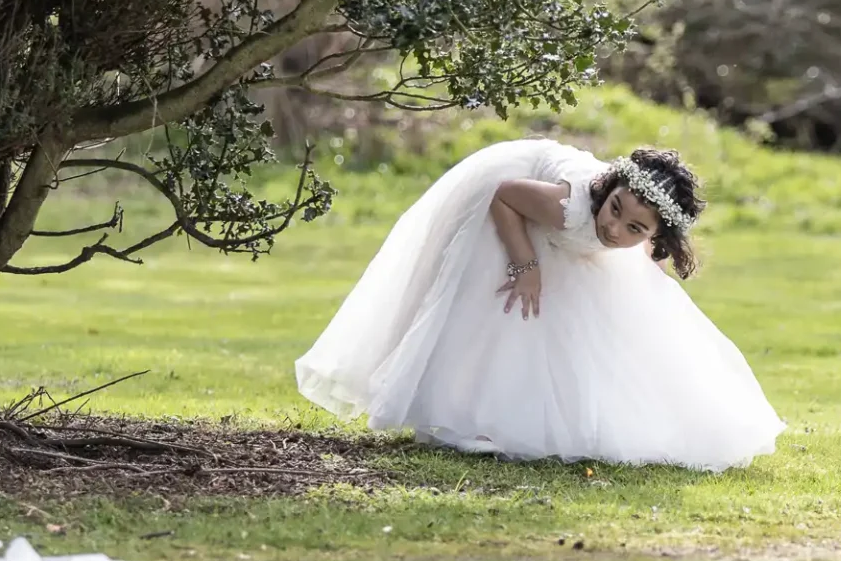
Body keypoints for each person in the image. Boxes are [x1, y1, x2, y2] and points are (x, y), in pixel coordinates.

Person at [296, 139, 785, 470]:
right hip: (505, 202)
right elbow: (504, 197)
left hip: (551, 222)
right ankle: (465, 410)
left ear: (655, 236)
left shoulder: (632, 237)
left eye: (636, 229)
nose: (615, 229)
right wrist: (524, 267)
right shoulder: (571, 205)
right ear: (608, 189)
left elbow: (643, 277)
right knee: (499, 306)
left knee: (592, 316)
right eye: (616, 210)